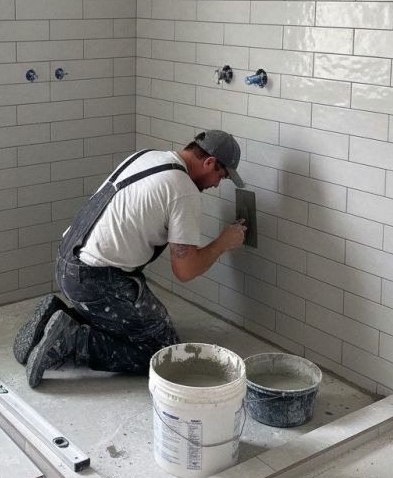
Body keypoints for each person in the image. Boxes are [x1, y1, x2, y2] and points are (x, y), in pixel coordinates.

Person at [13, 130, 248, 388]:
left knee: (135, 324)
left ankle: (54, 317)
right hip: (96, 281)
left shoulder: (148, 156)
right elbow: (186, 269)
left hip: (67, 262)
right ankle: (71, 340)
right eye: (221, 176)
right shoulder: (184, 191)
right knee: (162, 352)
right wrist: (223, 243)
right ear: (210, 162)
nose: (216, 185)